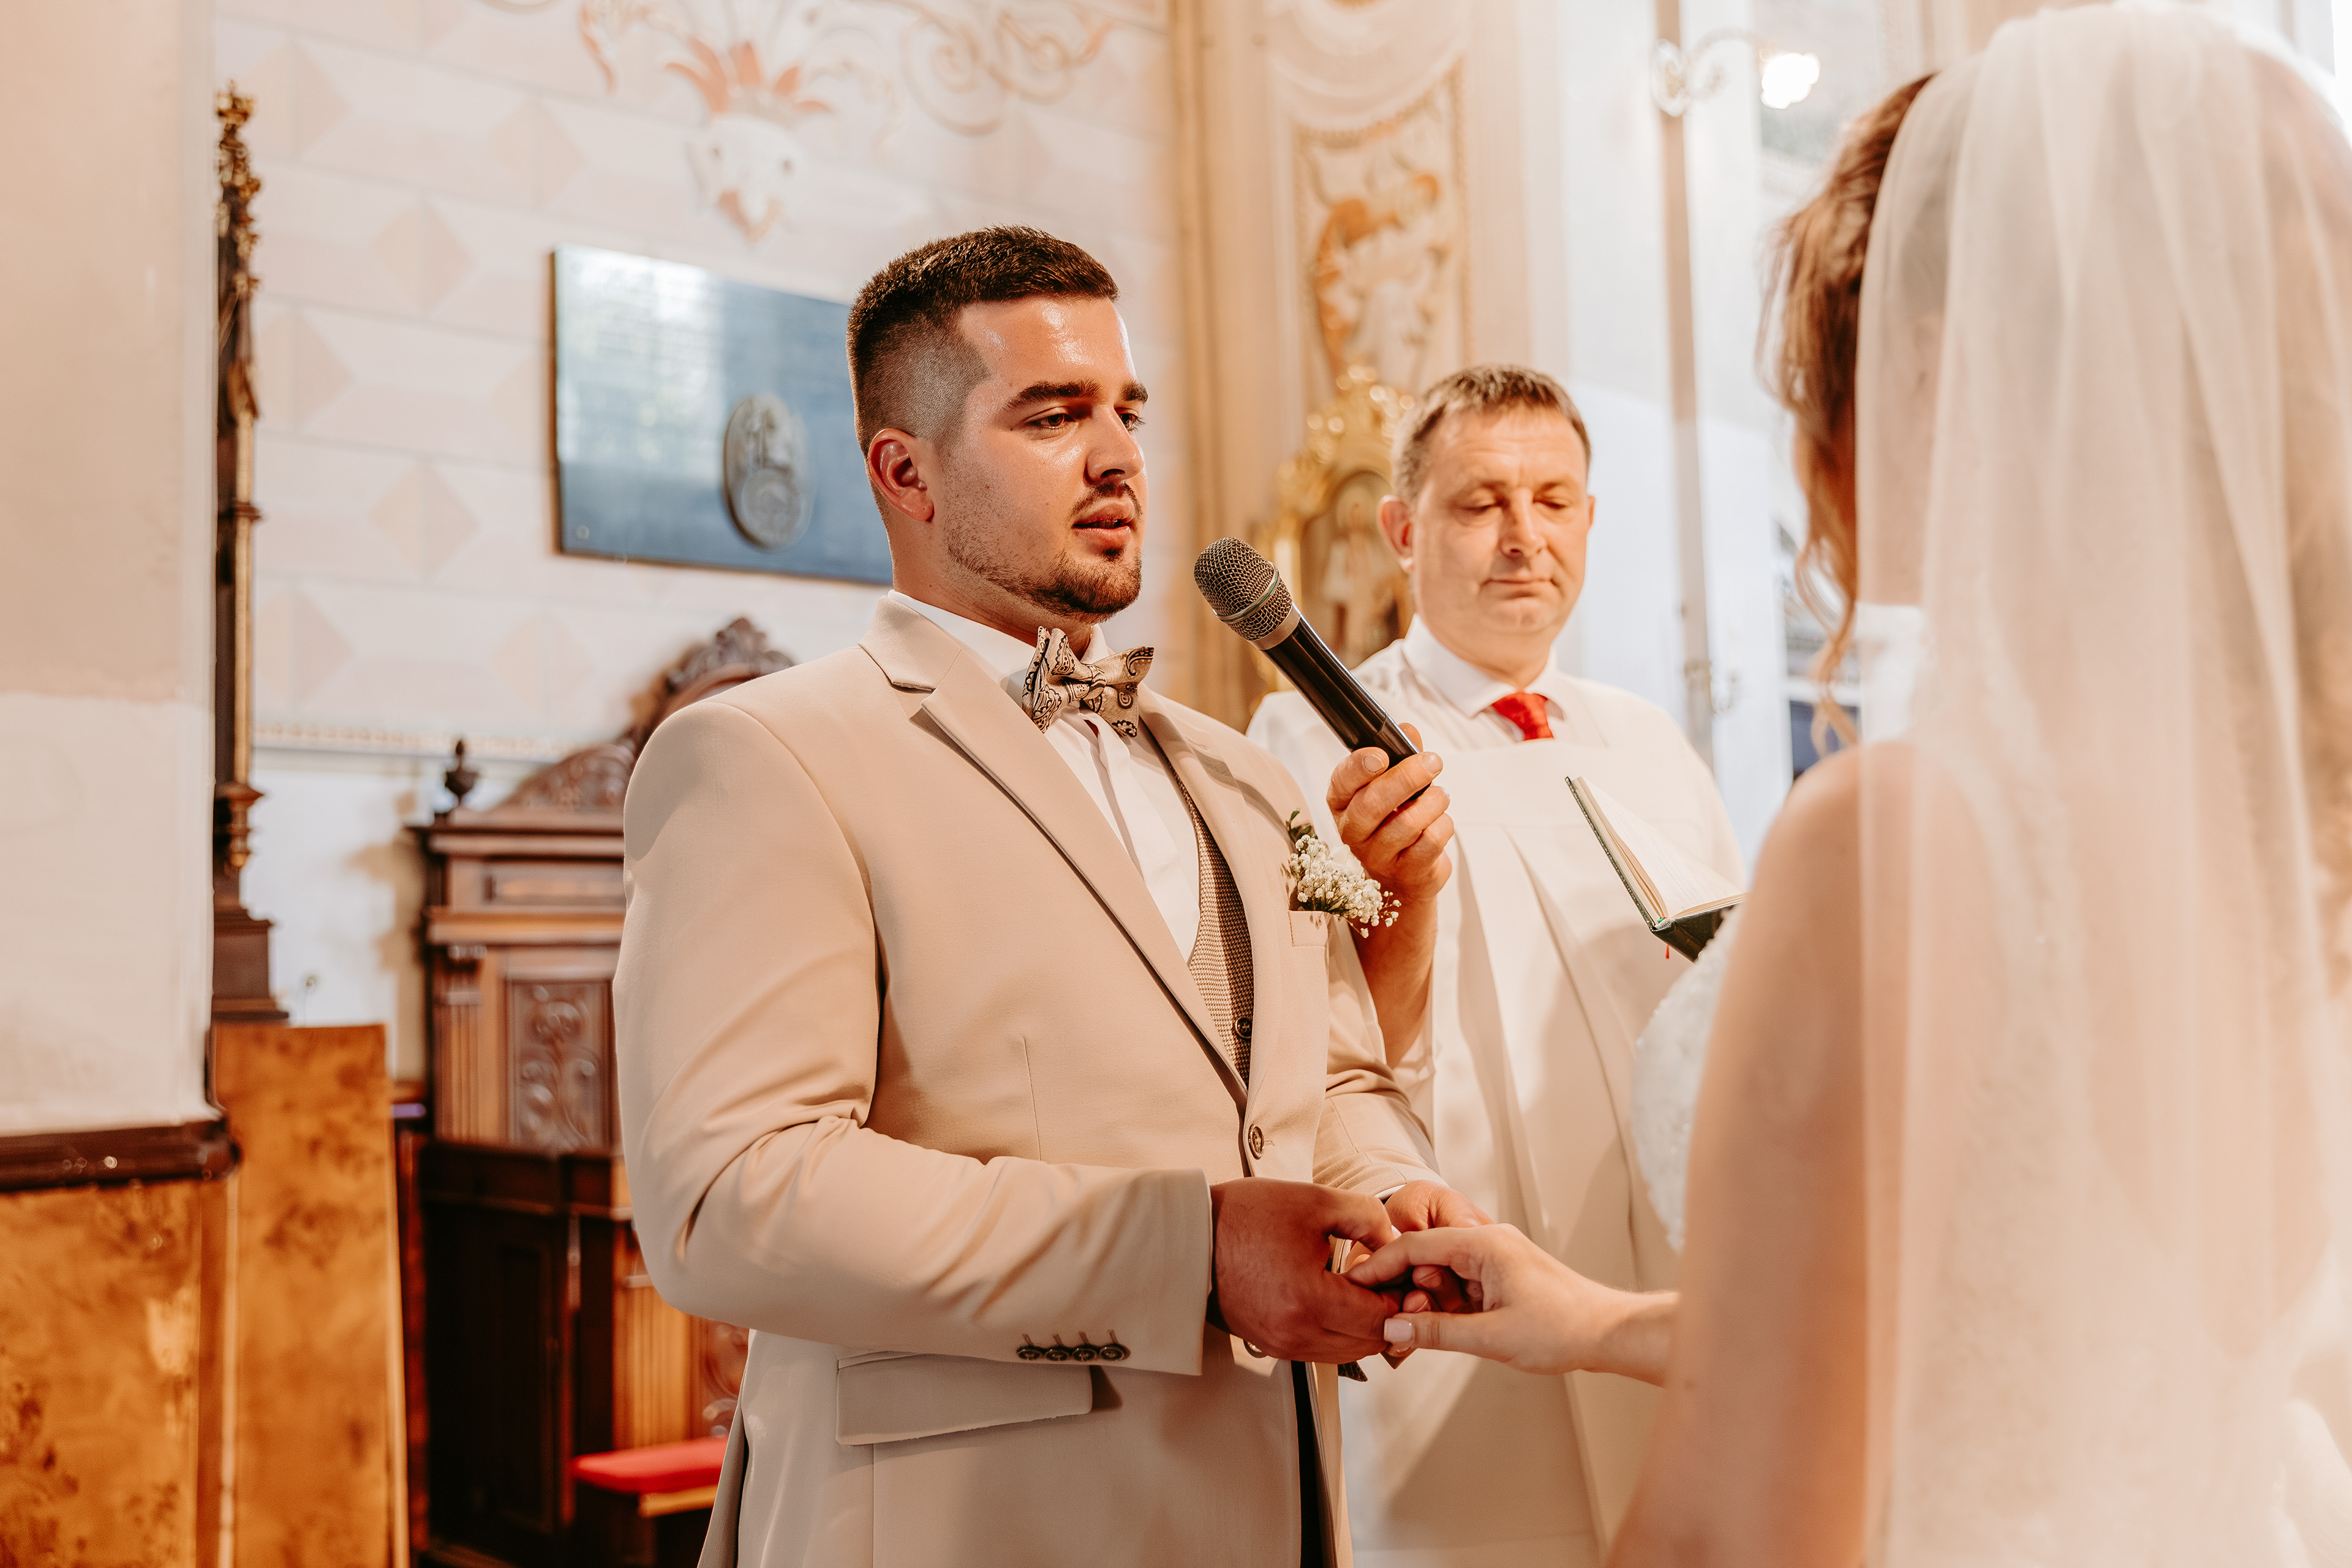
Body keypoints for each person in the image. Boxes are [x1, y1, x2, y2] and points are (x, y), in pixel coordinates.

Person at [1351, 9, 2352, 1563]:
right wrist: (1595, 1316)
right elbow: (2025, 1333)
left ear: (1920, 396)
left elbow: (1735, 1537)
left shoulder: (1907, 839)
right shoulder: (2299, 838)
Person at [612, 226, 1477, 1568]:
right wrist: (1188, 1249)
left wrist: (1391, 1191)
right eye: (1053, 414)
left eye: (1128, 411)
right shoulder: (768, 755)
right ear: (904, 471)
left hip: (1272, 1502)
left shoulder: (1242, 774)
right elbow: (732, 1197)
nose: (1119, 455)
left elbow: (1325, 1087)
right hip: (962, 1521)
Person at [1250, 364, 1741, 1565]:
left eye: (1555, 500)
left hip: (1666, 1253)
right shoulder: (1306, 735)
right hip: (1466, 1242)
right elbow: (1305, 1045)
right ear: (1401, 529)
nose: (1526, 536)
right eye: (1481, 503)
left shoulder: (1650, 739)